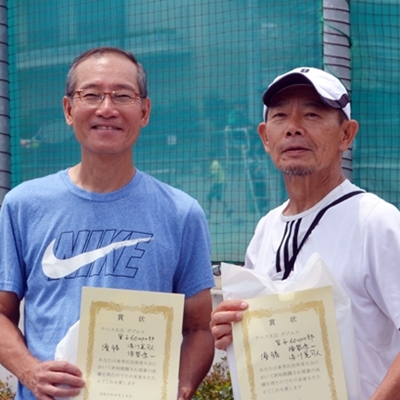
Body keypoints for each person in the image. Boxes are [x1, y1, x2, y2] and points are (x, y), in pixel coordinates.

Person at [0, 47, 215, 400]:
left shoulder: (181, 213)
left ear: (144, 111)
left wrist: (181, 386)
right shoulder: (23, 205)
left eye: (123, 95)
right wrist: (30, 372)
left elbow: (198, 328)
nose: (107, 108)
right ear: (68, 109)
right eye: (91, 95)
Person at [210, 67, 400, 399]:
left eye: (312, 114)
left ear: (346, 135)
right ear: (265, 137)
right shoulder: (266, 228)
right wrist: (231, 329)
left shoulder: (376, 222)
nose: (293, 128)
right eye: (280, 116)